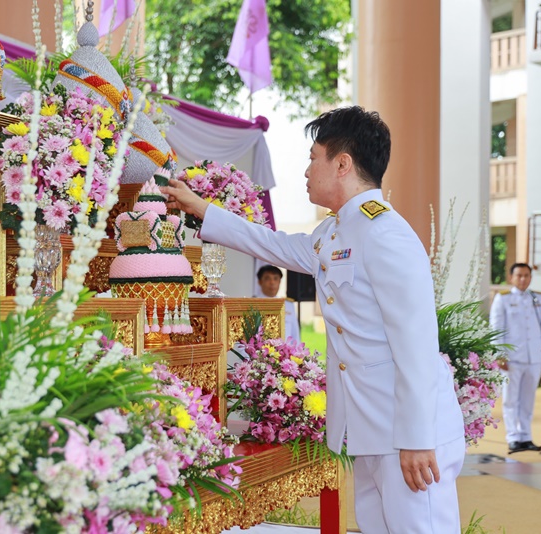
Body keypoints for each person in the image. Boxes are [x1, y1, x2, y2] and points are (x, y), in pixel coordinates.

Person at [162, 106, 465, 533]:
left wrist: (416, 438)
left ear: (342, 164)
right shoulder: (334, 233)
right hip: (373, 431)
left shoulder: (386, 233)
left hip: (409, 435)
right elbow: (270, 243)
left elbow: (415, 341)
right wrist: (202, 209)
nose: (306, 170)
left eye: (312, 157)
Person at [489, 262, 541, 453]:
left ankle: (525, 436)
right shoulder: (503, 299)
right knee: (511, 399)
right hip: (512, 359)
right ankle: (513, 437)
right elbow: (496, 329)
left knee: (528, 399)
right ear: (511, 278)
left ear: (531, 278)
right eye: (519, 276)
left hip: (534, 357)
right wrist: (500, 354)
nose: (523, 279)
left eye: (526, 275)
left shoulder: (538, 298)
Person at [256, 265, 301, 342]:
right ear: (260, 282)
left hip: (286, 353)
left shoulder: (288, 305)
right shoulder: (252, 304)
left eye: (275, 278)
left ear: (279, 281)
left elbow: (295, 335)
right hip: (260, 353)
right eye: (267, 278)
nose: (272, 282)